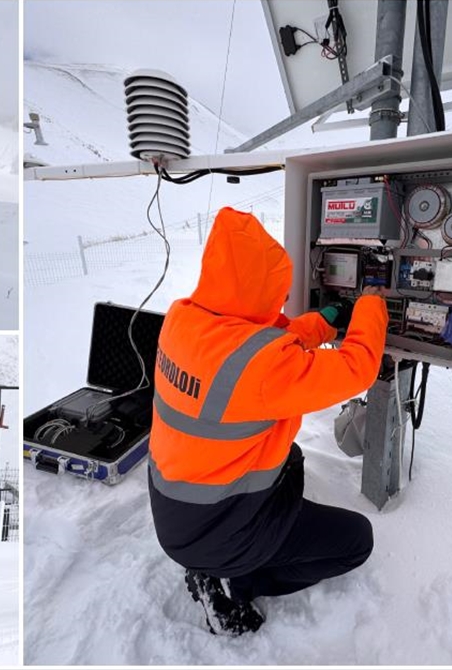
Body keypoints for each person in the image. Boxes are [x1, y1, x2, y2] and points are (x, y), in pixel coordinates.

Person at [148, 207, 387, 636]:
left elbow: (252, 343)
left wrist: (320, 324)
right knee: (356, 541)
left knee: (289, 461)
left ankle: (216, 564)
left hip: (175, 516)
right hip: (219, 533)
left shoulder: (183, 319)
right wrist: (372, 302)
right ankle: (237, 583)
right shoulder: (262, 369)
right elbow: (358, 368)